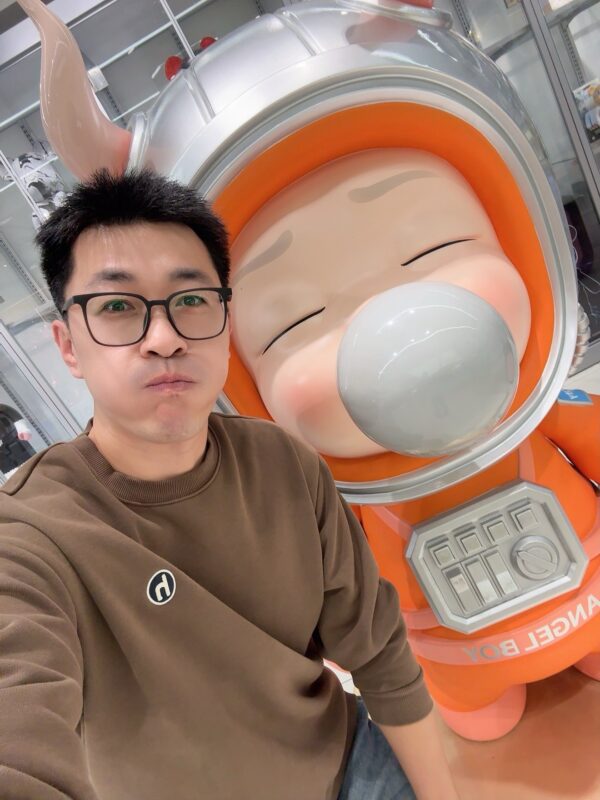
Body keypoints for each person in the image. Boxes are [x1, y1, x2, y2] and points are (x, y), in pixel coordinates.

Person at [0, 169, 459, 800]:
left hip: (353, 768)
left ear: (225, 321)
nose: (164, 338)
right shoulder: (29, 536)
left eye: (191, 300)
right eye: (117, 307)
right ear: (68, 346)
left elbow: (378, 653)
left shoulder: (283, 463)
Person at [0, 402, 35, 475]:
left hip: (14, 437)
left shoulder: (2, 408)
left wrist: (22, 428)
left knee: (30, 460)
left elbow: (13, 414)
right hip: (4, 453)